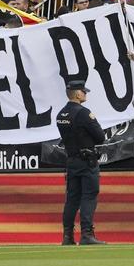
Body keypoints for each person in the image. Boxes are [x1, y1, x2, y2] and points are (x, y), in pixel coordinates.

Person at [57, 78, 105, 245]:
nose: (85, 93)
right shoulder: (84, 113)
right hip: (87, 161)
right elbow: (100, 137)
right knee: (89, 196)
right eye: (83, 91)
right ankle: (87, 234)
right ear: (77, 94)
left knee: (72, 199)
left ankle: (67, 236)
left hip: (71, 161)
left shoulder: (60, 115)